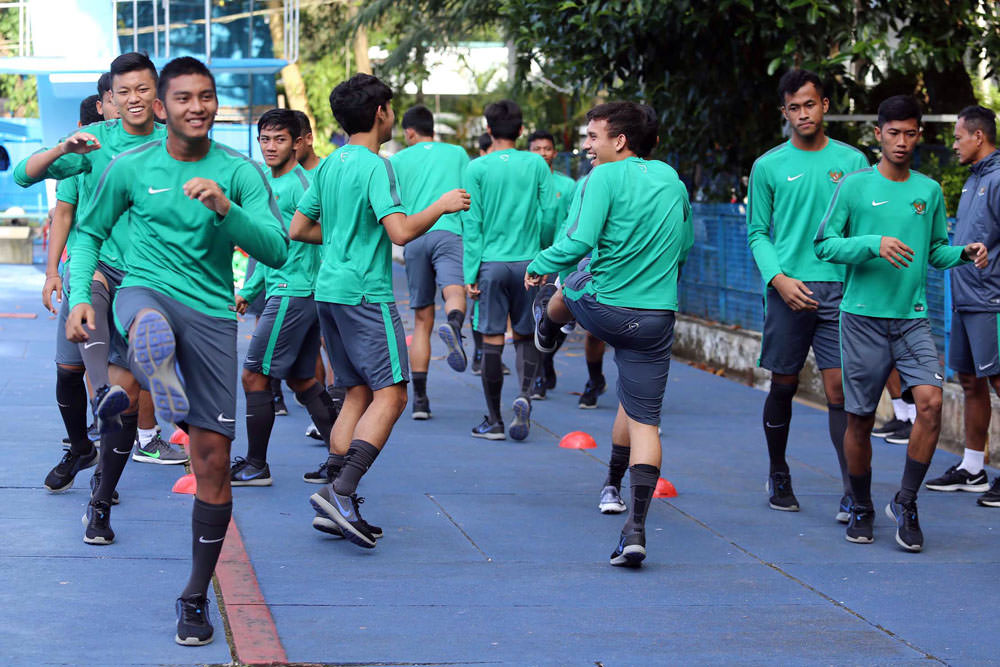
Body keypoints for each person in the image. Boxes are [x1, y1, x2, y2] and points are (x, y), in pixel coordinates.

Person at [64, 56, 288, 645]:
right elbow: (87, 232)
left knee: (213, 461)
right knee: (144, 320)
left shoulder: (239, 173)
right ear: (162, 108)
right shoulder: (131, 167)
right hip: (144, 291)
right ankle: (151, 377)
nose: (197, 107)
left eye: (206, 97)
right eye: (184, 97)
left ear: (216, 104)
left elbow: (278, 250)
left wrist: (225, 209)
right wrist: (80, 299)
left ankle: (194, 596)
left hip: (214, 314)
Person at [289, 73, 469, 548]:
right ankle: (341, 490)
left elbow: (298, 228)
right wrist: (443, 205)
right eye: (389, 107)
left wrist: (343, 238)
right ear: (380, 114)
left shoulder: (329, 165)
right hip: (366, 295)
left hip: (328, 291)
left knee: (355, 393)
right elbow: (402, 232)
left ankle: (336, 497)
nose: (392, 114)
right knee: (391, 395)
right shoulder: (375, 165)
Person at [814, 94, 988, 551]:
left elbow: (934, 252)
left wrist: (965, 254)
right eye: (894, 133)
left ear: (918, 135)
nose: (902, 141)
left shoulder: (928, 190)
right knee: (859, 418)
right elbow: (825, 245)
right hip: (862, 321)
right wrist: (873, 243)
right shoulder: (853, 185)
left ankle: (906, 502)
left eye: (911, 133)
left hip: (911, 321)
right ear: (878, 135)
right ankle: (862, 505)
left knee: (930, 404)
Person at [528, 101, 693, 567]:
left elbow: (579, 242)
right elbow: (683, 247)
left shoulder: (601, 178)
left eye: (593, 137)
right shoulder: (672, 180)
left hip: (604, 308)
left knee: (571, 278)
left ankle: (548, 321)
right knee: (644, 421)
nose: (586, 146)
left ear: (619, 141)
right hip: (656, 318)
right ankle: (636, 528)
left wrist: (539, 265)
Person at [20, 53, 187, 494]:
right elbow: (44, 194)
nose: (131, 100)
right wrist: (52, 271)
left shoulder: (175, 145)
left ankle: (104, 485)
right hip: (90, 267)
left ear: (158, 96)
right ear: (107, 99)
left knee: (127, 390)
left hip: (145, 280)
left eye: (141, 90)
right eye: (122, 92)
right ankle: (82, 442)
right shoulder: (90, 144)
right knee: (65, 370)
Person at [747, 69, 869, 518]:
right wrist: (778, 279)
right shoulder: (768, 166)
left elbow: (864, 230)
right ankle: (778, 470)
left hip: (842, 292)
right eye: (794, 107)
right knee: (784, 382)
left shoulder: (855, 163)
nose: (804, 113)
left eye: (810, 104)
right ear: (785, 112)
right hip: (788, 289)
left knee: (840, 391)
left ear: (826, 106)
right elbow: (758, 232)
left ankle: (852, 490)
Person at [229, 108, 336, 487]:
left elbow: (329, 235)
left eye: (280, 139)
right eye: (266, 139)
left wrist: (324, 288)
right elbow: (265, 244)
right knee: (302, 379)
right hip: (284, 290)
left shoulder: (302, 185)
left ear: (297, 143)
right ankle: (341, 460)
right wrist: (250, 290)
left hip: (295, 292)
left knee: (254, 375)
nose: (271, 147)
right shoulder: (265, 184)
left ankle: (257, 464)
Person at [463, 100, 553, 440]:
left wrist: (471, 272)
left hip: (491, 264)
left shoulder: (477, 169)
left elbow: (473, 225)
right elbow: (548, 215)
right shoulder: (536, 165)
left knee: (491, 337)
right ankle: (525, 396)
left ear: (488, 130)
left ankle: (494, 421)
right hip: (529, 263)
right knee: (526, 335)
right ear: (520, 130)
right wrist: (544, 260)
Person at [925, 105, 1000, 505]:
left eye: (957, 137)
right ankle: (973, 469)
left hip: (992, 300)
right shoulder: (974, 181)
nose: (953, 144)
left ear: (978, 137)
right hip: (966, 298)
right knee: (970, 381)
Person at [390, 104, 471, 419]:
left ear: (410, 132)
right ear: (431, 128)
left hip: (415, 235)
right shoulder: (457, 154)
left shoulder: (397, 161)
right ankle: (454, 325)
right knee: (454, 290)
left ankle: (421, 401)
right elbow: (468, 197)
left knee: (421, 320)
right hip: (449, 232)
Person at [526, 129, 577, 400]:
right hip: (525, 257)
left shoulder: (568, 186)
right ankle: (539, 369)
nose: (543, 153)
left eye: (547, 148)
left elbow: (569, 226)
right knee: (530, 317)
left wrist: (550, 262)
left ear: (554, 153)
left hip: (557, 258)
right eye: (537, 149)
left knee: (557, 316)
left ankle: (545, 363)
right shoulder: (522, 184)